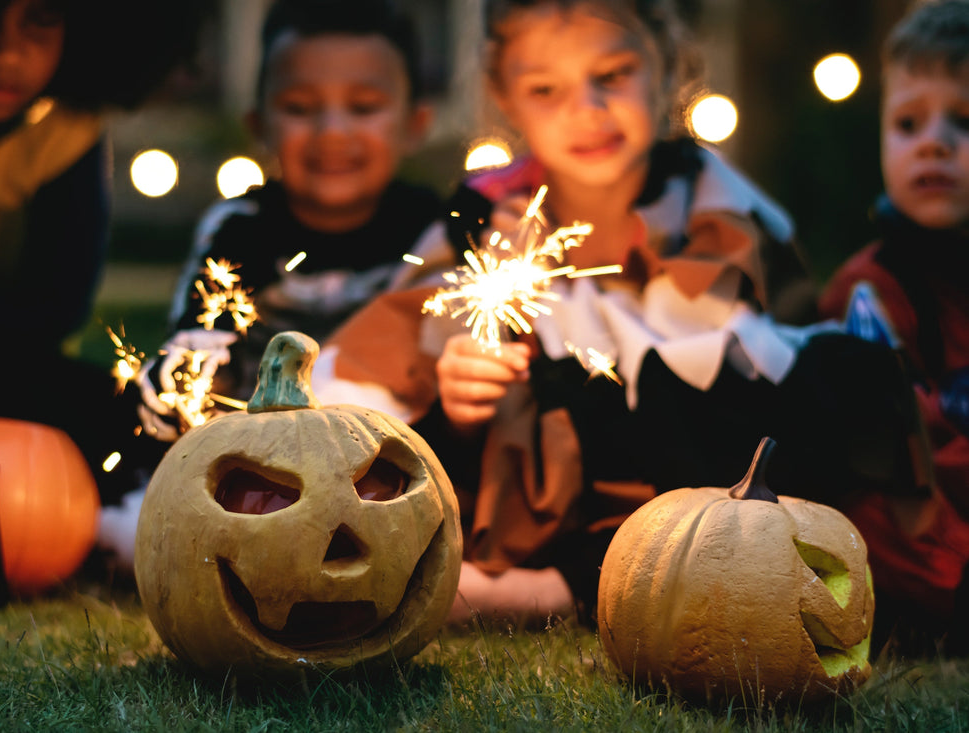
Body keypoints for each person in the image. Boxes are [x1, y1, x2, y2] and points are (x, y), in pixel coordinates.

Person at [317, 0, 926, 627]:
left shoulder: (722, 210)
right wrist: (460, 398)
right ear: (507, 99)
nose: (587, 109)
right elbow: (401, 355)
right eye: (546, 89)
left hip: (689, 459)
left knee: (815, 382)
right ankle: (535, 578)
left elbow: (776, 341)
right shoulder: (481, 224)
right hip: (538, 472)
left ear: (663, 69)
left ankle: (570, 588)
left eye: (612, 77)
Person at [0, 0, 210, 543]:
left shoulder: (61, 133)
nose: (7, 52)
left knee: (124, 410)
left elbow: (53, 305)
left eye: (42, 19)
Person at [134, 0, 441, 442]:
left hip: (395, 457)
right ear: (259, 125)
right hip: (260, 458)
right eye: (299, 107)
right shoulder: (241, 230)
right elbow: (197, 341)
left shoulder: (434, 230)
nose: (332, 131)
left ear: (416, 123)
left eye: (364, 107)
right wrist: (182, 379)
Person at [819, 0, 969, 655]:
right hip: (926, 531)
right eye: (908, 123)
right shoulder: (870, 289)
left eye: (964, 122)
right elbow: (901, 462)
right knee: (869, 496)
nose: (934, 142)